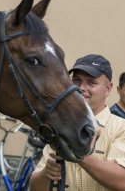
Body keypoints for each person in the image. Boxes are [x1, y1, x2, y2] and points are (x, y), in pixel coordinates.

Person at [30, 54, 125, 191]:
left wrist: (79, 154)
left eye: (91, 82)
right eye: (76, 81)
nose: (81, 88)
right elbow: (35, 188)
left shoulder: (121, 128)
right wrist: (46, 174)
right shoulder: (60, 127)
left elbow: (122, 182)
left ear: (108, 89)